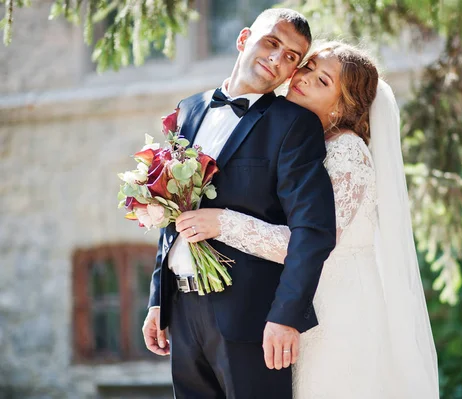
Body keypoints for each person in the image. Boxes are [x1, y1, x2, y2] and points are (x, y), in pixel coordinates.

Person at [184, 42, 440, 398]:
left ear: (342, 107)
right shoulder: (297, 140)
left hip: (338, 310)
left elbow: (313, 240)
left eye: (322, 81)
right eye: (308, 67)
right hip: (302, 304)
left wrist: (223, 223)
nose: (303, 79)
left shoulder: (346, 151)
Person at [142, 9, 337, 399]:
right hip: (181, 313)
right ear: (244, 38)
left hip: (252, 320)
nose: (278, 59)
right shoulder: (188, 110)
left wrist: (286, 317)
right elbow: (171, 208)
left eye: (292, 57)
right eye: (272, 42)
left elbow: (313, 231)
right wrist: (157, 299)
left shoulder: (294, 125)